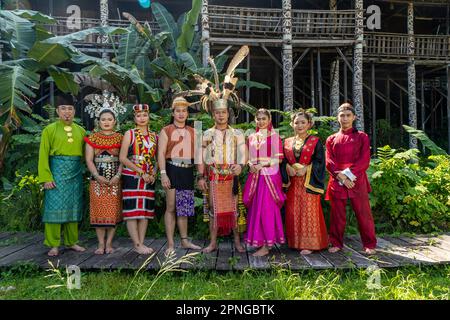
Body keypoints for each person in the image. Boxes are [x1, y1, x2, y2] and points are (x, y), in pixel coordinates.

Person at [325, 102, 377, 255]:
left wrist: (348, 176)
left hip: (357, 179)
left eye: (348, 115)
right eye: (342, 115)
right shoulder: (331, 139)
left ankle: (369, 244)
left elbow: (364, 161)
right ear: (337, 118)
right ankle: (335, 242)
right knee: (337, 214)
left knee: (363, 213)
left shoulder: (362, 137)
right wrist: (341, 177)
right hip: (337, 179)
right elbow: (329, 161)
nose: (345, 118)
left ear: (354, 117)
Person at [38, 93, 86, 257]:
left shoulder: (81, 131)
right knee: (54, 209)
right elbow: (43, 155)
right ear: (58, 111)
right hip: (56, 175)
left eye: (70, 109)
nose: (67, 112)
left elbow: (87, 155)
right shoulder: (49, 130)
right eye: (63, 109)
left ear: (74, 112)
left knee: (73, 208)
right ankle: (53, 244)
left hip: (75, 175)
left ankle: (72, 242)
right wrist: (46, 177)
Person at [158, 97, 202, 255]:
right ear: (173, 113)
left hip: (188, 170)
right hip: (172, 169)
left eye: (184, 111)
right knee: (170, 207)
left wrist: (201, 175)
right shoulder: (166, 130)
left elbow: (198, 156)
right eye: (178, 111)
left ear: (187, 113)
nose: (181, 114)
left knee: (184, 208)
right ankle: (170, 244)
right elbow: (161, 154)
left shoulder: (193, 132)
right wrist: (163, 174)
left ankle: (184, 241)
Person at [281, 110, 328, 255]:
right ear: (291, 124)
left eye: (303, 122)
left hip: (309, 182)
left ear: (309, 124)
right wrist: (287, 167)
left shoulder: (315, 141)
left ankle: (310, 244)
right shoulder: (287, 142)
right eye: (296, 122)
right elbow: (281, 161)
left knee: (308, 212)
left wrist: (307, 168)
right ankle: (295, 242)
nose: (299, 125)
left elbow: (320, 161)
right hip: (293, 183)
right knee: (293, 212)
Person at [84, 93, 125, 255]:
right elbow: (89, 160)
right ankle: (100, 244)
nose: (106, 122)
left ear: (115, 121)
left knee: (113, 212)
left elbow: (123, 159)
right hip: (97, 179)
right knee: (99, 211)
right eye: (103, 119)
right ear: (98, 121)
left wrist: (118, 176)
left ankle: (109, 243)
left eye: (109, 119)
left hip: (115, 178)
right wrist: (97, 175)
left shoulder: (121, 138)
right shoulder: (92, 138)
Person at [243, 108, 285, 257]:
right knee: (256, 208)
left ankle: (268, 244)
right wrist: (250, 165)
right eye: (258, 119)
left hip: (269, 177)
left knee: (266, 208)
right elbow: (247, 157)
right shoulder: (252, 137)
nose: (261, 121)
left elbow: (278, 159)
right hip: (255, 176)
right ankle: (259, 241)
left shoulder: (274, 137)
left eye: (263, 119)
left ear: (269, 120)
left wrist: (262, 164)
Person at [119, 104, 157, 255]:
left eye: (145, 115)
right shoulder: (130, 134)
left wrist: (154, 173)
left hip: (149, 176)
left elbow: (158, 158)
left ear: (149, 117)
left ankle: (141, 243)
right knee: (132, 210)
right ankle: (136, 243)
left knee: (145, 211)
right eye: (138, 115)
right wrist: (141, 172)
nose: (142, 118)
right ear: (134, 118)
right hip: (133, 175)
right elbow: (122, 158)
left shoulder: (155, 136)